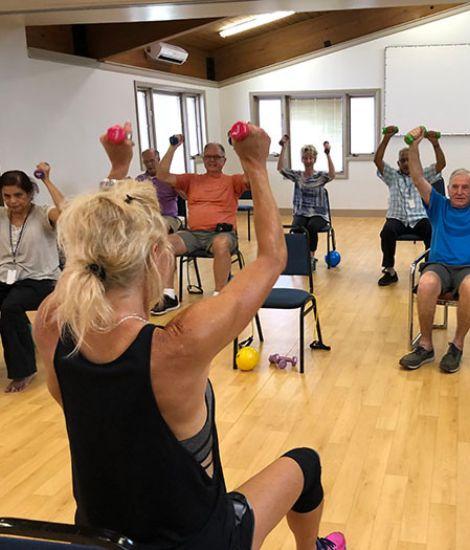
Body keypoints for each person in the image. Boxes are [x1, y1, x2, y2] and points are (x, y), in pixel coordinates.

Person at [33, 122, 346, 550]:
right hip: (201, 542)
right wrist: (255, 161)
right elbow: (272, 258)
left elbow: (90, 248)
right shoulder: (176, 346)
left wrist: (117, 169)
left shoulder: (52, 328)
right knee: (305, 465)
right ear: (159, 256)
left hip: (100, 541)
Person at [399, 127, 470, 373]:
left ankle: (457, 346)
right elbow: (418, 178)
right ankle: (426, 346)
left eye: (466, 187)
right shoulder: (439, 205)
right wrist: (414, 145)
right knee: (427, 284)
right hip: (439, 266)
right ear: (448, 189)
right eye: (456, 187)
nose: (460, 191)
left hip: (467, 269)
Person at [153, 135, 249, 315]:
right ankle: (169, 295)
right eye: (208, 157)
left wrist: (239, 148)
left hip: (222, 235)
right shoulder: (192, 180)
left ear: (224, 160)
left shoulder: (232, 181)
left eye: (216, 157)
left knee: (221, 244)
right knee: (165, 243)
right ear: (203, 159)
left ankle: (220, 295)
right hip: (194, 234)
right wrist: (173, 146)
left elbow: (251, 178)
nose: (212, 160)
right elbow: (162, 175)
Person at [0, 162, 64, 392]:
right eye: (7, 196)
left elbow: (66, 212)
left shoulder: (43, 213)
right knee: (10, 303)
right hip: (7, 278)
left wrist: (47, 179)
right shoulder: (1, 215)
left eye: (18, 195)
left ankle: (23, 370)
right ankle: (22, 336)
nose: (13, 201)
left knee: (10, 308)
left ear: (29, 193)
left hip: (41, 279)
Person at [374, 125, 446, 286]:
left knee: (431, 229)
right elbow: (377, 160)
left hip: (419, 218)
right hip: (397, 219)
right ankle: (389, 270)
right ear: (398, 163)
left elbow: (441, 164)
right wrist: (386, 139)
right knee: (387, 231)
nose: (406, 163)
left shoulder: (422, 175)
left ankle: (429, 269)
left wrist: (435, 144)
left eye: (409, 159)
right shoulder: (392, 176)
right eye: (403, 160)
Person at [277, 135, 336, 270]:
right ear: (302, 159)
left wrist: (328, 154)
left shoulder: (320, 176)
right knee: (296, 228)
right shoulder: (298, 176)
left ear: (314, 159)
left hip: (318, 214)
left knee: (311, 227)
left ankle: (310, 257)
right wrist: (283, 147)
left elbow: (332, 175)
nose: (308, 160)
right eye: (305, 158)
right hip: (302, 212)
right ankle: (298, 257)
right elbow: (280, 169)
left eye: (310, 158)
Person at [136, 148, 181, 233]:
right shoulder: (139, 179)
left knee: (157, 230)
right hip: (147, 218)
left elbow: (185, 195)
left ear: (159, 159)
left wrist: (176, 185)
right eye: (146, 162)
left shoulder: (170, 178)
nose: (149, 164)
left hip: (167, 218)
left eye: (152, 161)